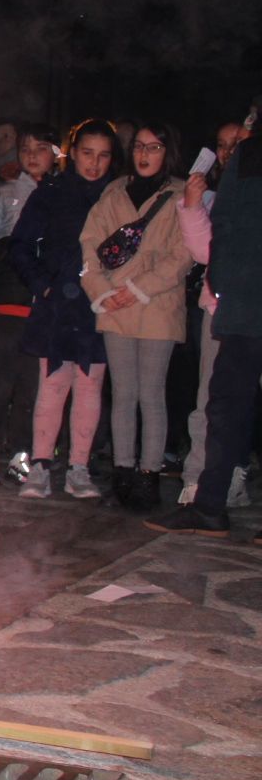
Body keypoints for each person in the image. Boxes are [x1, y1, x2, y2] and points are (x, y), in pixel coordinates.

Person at [149, 124, 262, 537]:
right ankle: (210, 503)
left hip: (244, 303)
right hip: (243, 304)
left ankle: (212, 503)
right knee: (224, 407)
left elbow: (229, 231)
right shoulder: (246, 160)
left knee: (227, 406)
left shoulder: (248, 159)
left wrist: (226, 285)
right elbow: (222, 234)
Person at [80, 122, 191, 511]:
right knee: (123, 394)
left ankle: (148, 478)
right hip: (116, 306)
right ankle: (123, 475)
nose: (145, 155)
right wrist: (102, 293)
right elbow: (89, 246)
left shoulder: (180, 194)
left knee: (151, 394)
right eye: (140, 147)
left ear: (168, 151)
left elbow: (183, 255)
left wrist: (140, 287)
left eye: (155, 147)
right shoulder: (114, 192)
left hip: (157, 306)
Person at [9, 120, 116, 500]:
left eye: (103, 156)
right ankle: (40, 466)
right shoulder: (52, 192)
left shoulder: (117, 195)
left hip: (99, 307)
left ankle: (79, 468)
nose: (94, 163)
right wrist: (43, 284)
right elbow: (19, 245)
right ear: (73, 154)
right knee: (53, 384)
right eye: (87, 153)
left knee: (90, 386)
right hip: (57, 305)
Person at [0, 122, 59, 483]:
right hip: (6, 301)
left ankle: (23, 451)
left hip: (44, 307)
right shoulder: (3, 194)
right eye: (25, 149)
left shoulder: (63, 195)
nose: (32, 155)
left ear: (55, 154)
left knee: (31, 385)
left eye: (41, 148)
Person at [178, 119, 252, 503]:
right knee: (211, 399)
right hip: (220, 307)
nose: (228, 151)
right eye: (222, 144)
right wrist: (191, 206)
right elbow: (206, 251)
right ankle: (199, 478)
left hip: (250, 308)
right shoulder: (213, 194)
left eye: (237, 142)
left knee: (241, 401)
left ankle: (234, 475)